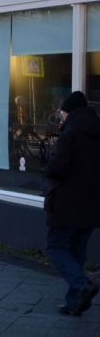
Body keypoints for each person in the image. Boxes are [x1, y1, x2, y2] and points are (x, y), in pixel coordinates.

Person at [43, 90, 100, 316]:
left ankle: (82, 285)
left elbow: (57, 168)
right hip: (93, 203)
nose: (62, 118)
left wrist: (47, 166)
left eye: (63, 113)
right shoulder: (97, 129)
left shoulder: (71, 133)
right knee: (77, 250)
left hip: (67, 202)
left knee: (56, 247)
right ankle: (73, 301)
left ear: (69, 112)